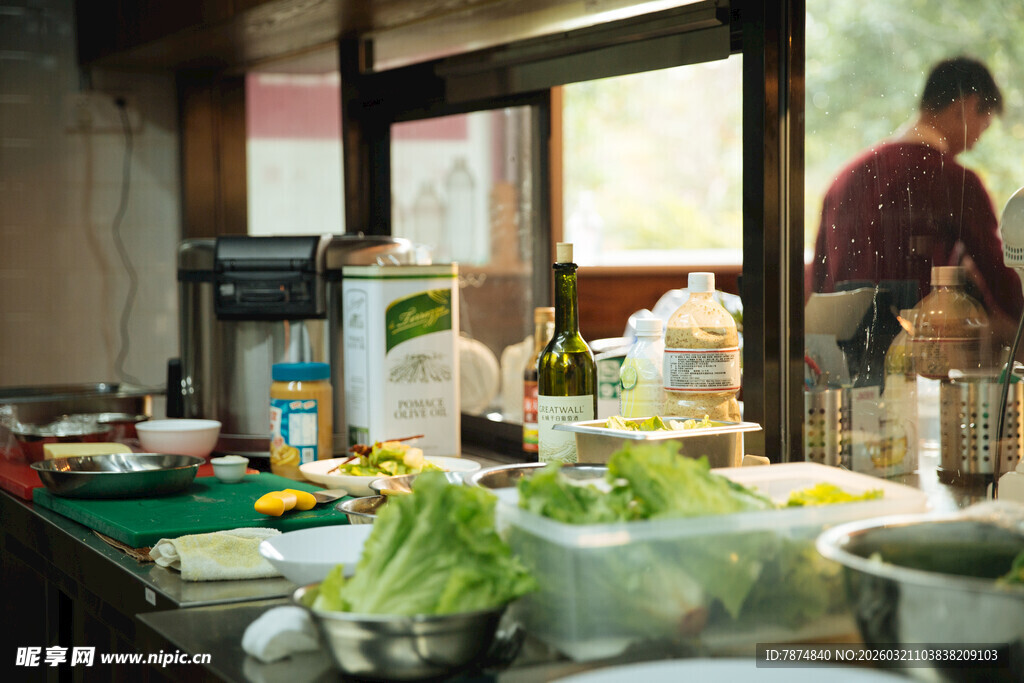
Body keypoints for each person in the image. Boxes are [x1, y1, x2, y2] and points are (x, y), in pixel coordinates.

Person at [810, 56, 1023, 346]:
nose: (976, 142)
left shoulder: (846, 177)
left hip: (836, 352)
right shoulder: (955, 181)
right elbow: (1002, 279)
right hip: (913, 353)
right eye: (983, 125)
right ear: (966, 106)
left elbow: (818, 277)